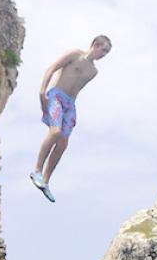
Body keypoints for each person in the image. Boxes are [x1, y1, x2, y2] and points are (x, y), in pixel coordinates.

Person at [29, 35, 112, 202]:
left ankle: (45, 181)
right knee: (55, 132)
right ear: (95, 44)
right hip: (56, 96)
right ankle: (37, 170)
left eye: (107, 52)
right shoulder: (75, 54)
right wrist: (42, 91)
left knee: (63, 143)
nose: (104, 54)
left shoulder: (93, 72)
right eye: (104, 50)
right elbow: (52, 68)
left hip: (70, 104)